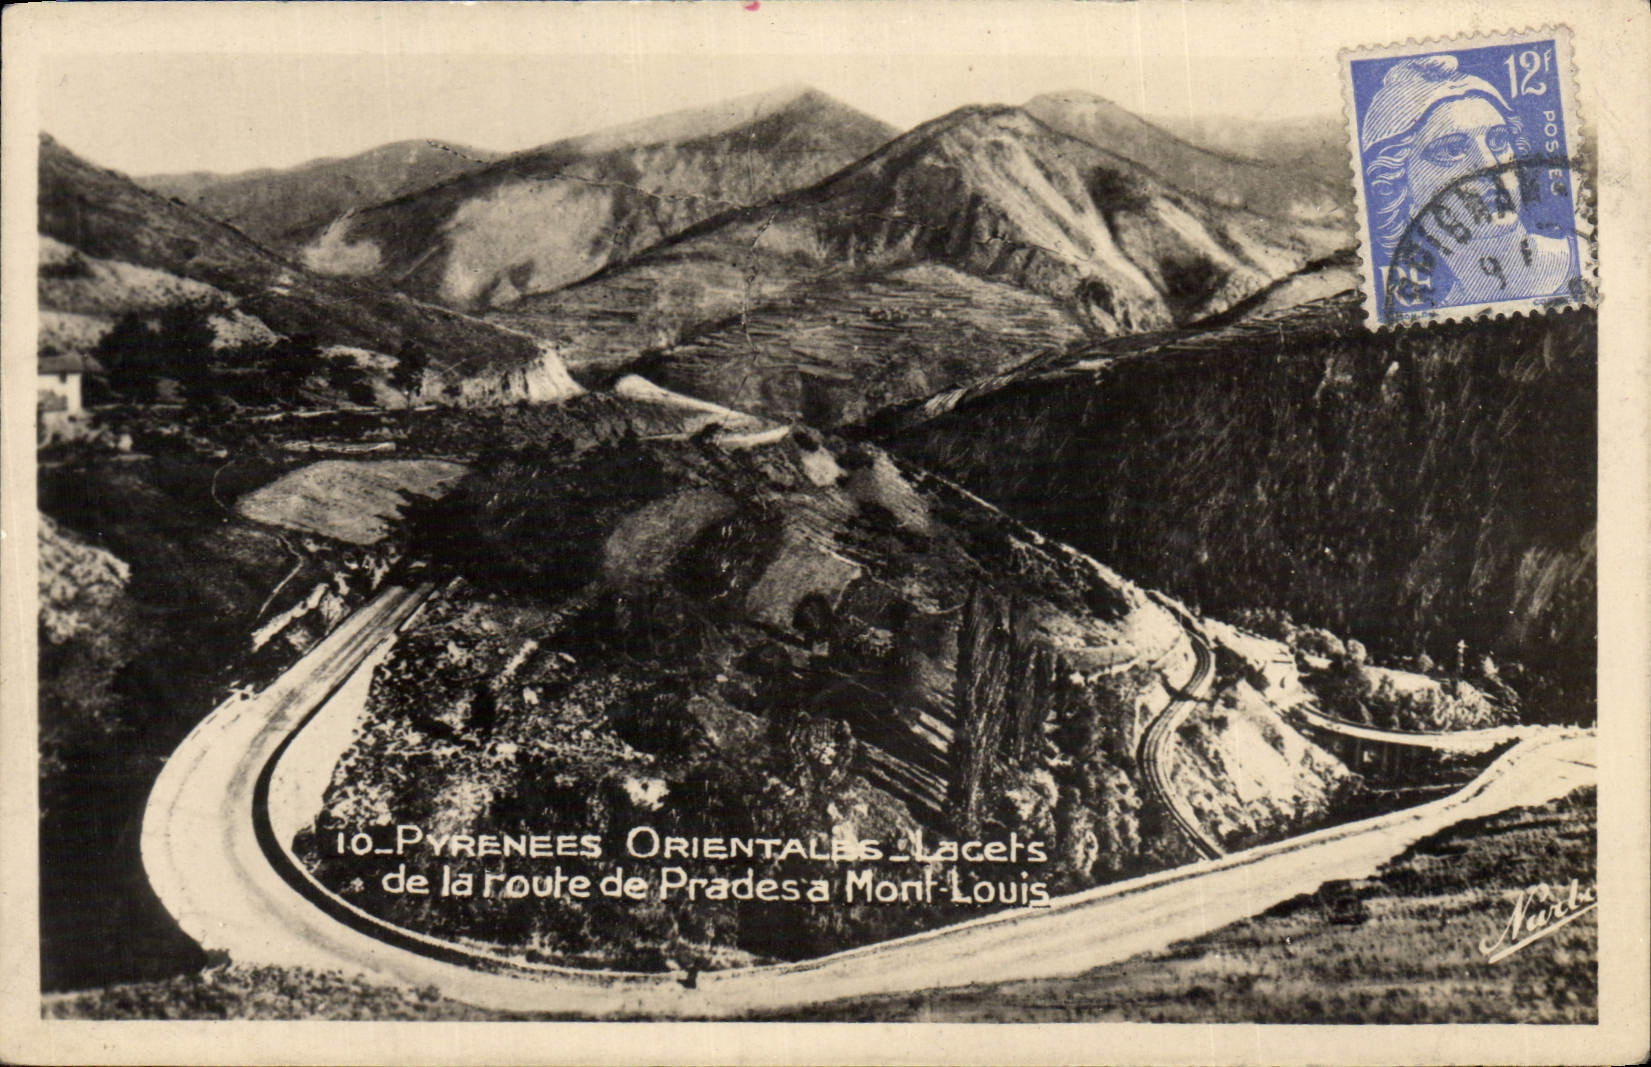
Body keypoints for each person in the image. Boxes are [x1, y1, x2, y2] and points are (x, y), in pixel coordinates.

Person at [1361, 54, 1573, 308]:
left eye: (1498, 141)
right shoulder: (1410, 302)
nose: (1489, 166)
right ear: (1397, 185)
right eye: (1452, 150)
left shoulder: (1582, 265)